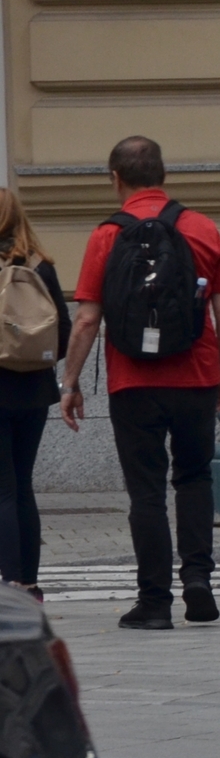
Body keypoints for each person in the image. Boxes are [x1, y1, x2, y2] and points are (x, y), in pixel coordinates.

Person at [60, 137, 220, 630]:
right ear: (163, 175)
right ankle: (199, 579)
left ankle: (154, 603)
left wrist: (70, 382)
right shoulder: (202, 228)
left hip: (132, 381)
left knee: (146, 494)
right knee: (195, 477)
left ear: (116, 179)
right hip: (195, 374)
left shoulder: (105, 236)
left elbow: (86, 319)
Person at [0, 192, 69, 600]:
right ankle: (29, 582)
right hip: (33, 389)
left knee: (2, 489)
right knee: (23, 484)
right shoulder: (43, 266)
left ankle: (8, 583)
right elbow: (62, 328)